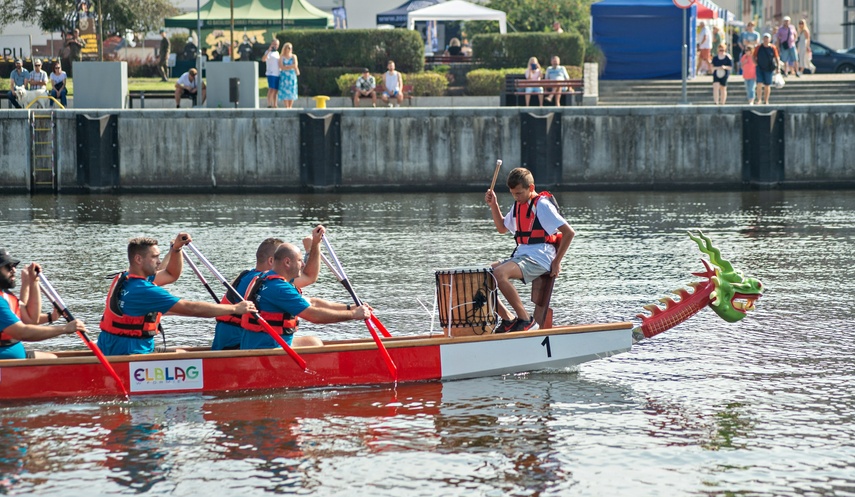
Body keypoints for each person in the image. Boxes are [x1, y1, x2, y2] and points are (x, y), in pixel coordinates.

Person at [97, 234, 257, 356]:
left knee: (181, 352)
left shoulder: (124, 278)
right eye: (154, 257)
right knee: (187, 357)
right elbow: (191, 308)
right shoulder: (143, 290)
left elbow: (170, 273)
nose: (158, 261)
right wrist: (235, 308)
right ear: (138, 259)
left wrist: (176, 249)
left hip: (115, 348)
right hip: (130, 355)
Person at [484, 167, 575, 333]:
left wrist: (557, 262)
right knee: (482, 275)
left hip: (540, 257)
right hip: (524, 255)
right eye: (513, 193)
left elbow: (569, 233)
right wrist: (493, 205)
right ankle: (509, 320)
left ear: (531, 188)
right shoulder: (519, 204)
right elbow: (502, 228)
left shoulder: (542, 205)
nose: (516, 197)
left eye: (519, 193)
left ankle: (526, 320)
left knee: (500, 274)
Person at [239, 242, 372, 350]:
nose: (303, 265)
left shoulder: (263, 278)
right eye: (300, 260)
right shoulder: (279, 288)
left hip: (257, 345)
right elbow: (314, 315)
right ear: (287, 262)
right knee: (316, 345)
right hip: (267, 349)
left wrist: (350, 308)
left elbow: (313, 303)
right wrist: (354, 315)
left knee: (313, 341)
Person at [212, 227, 324, 351]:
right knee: (313, 342)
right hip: (238, 348)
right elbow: (309, 276)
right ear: (272, 260)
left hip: (226, 345)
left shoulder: (246, 277)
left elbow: (309, 294)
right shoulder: (270, 282)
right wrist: (314, 245)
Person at [0, 249, 87, 360]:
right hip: (6, 365)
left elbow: (31, 319)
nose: (14, 270)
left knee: (53, 359)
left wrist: (34, 281)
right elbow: (22, 332)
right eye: (8, 267)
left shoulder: (5, 294)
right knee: (55, 363)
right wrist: (65, 328)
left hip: (14, 357)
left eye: (14, 266)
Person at [754, 33, 779, 105]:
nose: (766, 39)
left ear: (770, 39)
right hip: (759, 67)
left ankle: (766, 100)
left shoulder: (773, 48)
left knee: (767, 85)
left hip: (769, 68)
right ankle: (759, 100)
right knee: (759, 83)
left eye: (767, 38)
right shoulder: (758, 47)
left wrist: (778, 67)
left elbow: (777, 57)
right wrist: (755, 63)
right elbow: (753, 56)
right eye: (765, 38)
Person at [277, 42, 299, 109]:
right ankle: (287, 106)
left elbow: (295, 65)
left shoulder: (293, 56)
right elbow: (281, 66)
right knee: (285, 90)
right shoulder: (282, 57)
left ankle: (290, 106)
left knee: (292, 90)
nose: (290, 49)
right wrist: (290, 66)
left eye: (291, 48)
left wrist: (287, 66)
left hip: (291, 76)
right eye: (289, 48)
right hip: (284, 76)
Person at [261, 39, 281, 108]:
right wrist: (269, 51)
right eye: (274, 44)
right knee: (271, 88)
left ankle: (274, 104)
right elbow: (263, 59)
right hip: (271, 73)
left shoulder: (277, 53)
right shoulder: (268, 52)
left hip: (277, 73)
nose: (275, 46)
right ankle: (269, 103)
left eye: (277, 44)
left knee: (275, 90)